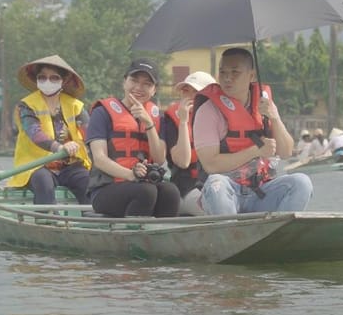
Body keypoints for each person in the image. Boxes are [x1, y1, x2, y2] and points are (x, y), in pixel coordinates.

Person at [193, 47, 313, 215]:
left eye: (235, 72)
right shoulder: (208, 111)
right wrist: (256, 151)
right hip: (227, 192)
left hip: (261, 191)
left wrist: (274, 118)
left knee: (302, 182)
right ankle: (232, 233)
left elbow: (285, 152)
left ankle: (275, 234)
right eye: (223, 72)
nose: (227, 78)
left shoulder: (264, 105)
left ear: (252, 76)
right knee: (216, 183)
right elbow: (211, 165)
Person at [86, 58, 180, 217]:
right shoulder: (102, 113)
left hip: (143, 185)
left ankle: (160, 238)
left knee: (171, 192)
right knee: (145, 191)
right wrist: (131, 175)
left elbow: (158, 159)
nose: (139, 88)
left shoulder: (156, 118)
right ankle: (131, 238)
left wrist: (149, 124)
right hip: (106, 188)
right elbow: (100, 159)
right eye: (134, 81)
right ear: (124, 82)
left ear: (154, 90)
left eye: (147, 84)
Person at [6, 55, 93, 206]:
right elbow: (35, 134)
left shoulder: (75, 105)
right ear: (36, 79)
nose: (48, 82)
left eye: (54, 78)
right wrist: (60, 147)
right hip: (36, 165)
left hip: (70, 165)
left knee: (87, 181)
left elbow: (90, 134)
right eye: (42, 77)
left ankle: (90, 222)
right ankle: (47, 221)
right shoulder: (26, 105)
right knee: (43, 182)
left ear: (63, 80)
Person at [162, 70, 217, 216]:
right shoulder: (172, 120)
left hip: (217, 184)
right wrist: (183, 122)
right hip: (187, 187)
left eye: (196, 92)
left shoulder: (219, 118)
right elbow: (182, 161)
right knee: (216, 211)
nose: (190, 96)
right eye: (186, 91)